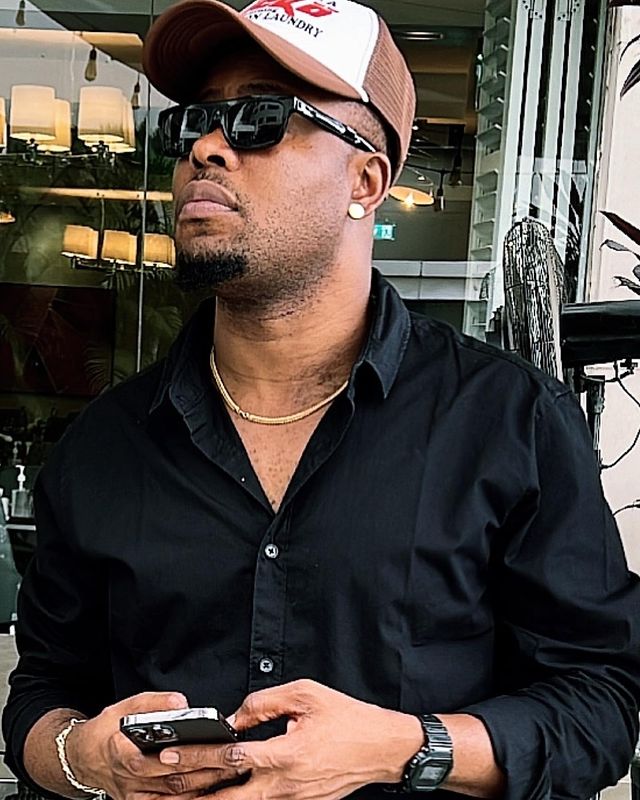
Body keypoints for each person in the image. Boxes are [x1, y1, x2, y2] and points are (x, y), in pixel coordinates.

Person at [3, 1, 640, 799]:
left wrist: (408, 748)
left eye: (261, 118)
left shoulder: (509, 421)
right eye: (196, 121)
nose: (206, 147)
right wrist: (84, 758)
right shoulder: (106, 444)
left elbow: (600, 702)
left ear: (366, 181)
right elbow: (42, 695)